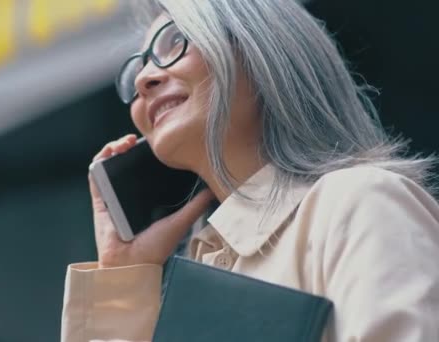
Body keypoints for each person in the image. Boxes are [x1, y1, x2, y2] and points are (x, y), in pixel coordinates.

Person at [61, 1, 439, 341]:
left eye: (175, 41)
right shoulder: (185, 275)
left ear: (262, 47)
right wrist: (122, 278)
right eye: (137, 69)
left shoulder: (360, 203)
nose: (144, 80)